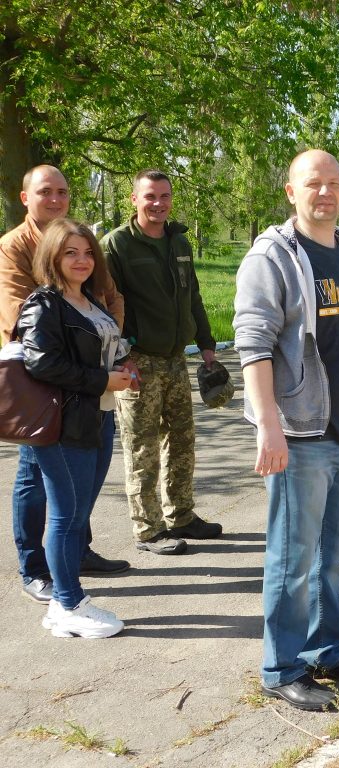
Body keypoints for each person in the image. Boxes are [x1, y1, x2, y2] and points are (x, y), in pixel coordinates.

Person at [234, 149, 339, 712]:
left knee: (333, 555)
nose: (325, 193)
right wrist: (268, 427)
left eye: (334, 183)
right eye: (313, 183)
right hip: (298, 435)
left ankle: (328, 652)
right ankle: (281, 668)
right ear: (290, 190)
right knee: (292, 559)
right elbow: (252, 344)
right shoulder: (271, 256)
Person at [0, 166, 130, 602]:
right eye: (45, 192)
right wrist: (91, 364)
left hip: (91, 388)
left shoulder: (81, 243)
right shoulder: (13, 248)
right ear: (25, 197)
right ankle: (36, 569)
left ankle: (76, 553)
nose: (55, 199)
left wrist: (109, 348)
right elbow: (21, 318)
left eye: (62, 192)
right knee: (35, 479)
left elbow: (109, 297)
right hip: (43, 392)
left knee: (78, 487)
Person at [17, 219, 134, 637]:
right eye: (71, 252)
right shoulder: (44, 304)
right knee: (66, 517)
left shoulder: (87, 300)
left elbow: (101, 347)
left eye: (87, 252)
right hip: (64, 424)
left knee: (78, 512)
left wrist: (120, 364)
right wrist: (101, 380)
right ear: (52, 256)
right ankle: (66, 604)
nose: (82, 260)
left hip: (97, 416)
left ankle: (67, 602)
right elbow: (40, 362)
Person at [103, 170, 222, 554]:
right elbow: (107, 307)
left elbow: (194, 298)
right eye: (150, 196)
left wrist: (206, 345)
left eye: (165, 196)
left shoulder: (179, 241)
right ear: (134, 199)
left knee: (182, 442)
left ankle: (181, 515)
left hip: (175, 360)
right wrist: (122, 356)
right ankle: (148, 528)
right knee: (143, 447)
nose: (158, 204)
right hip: (138, 361)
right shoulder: (117, 245)